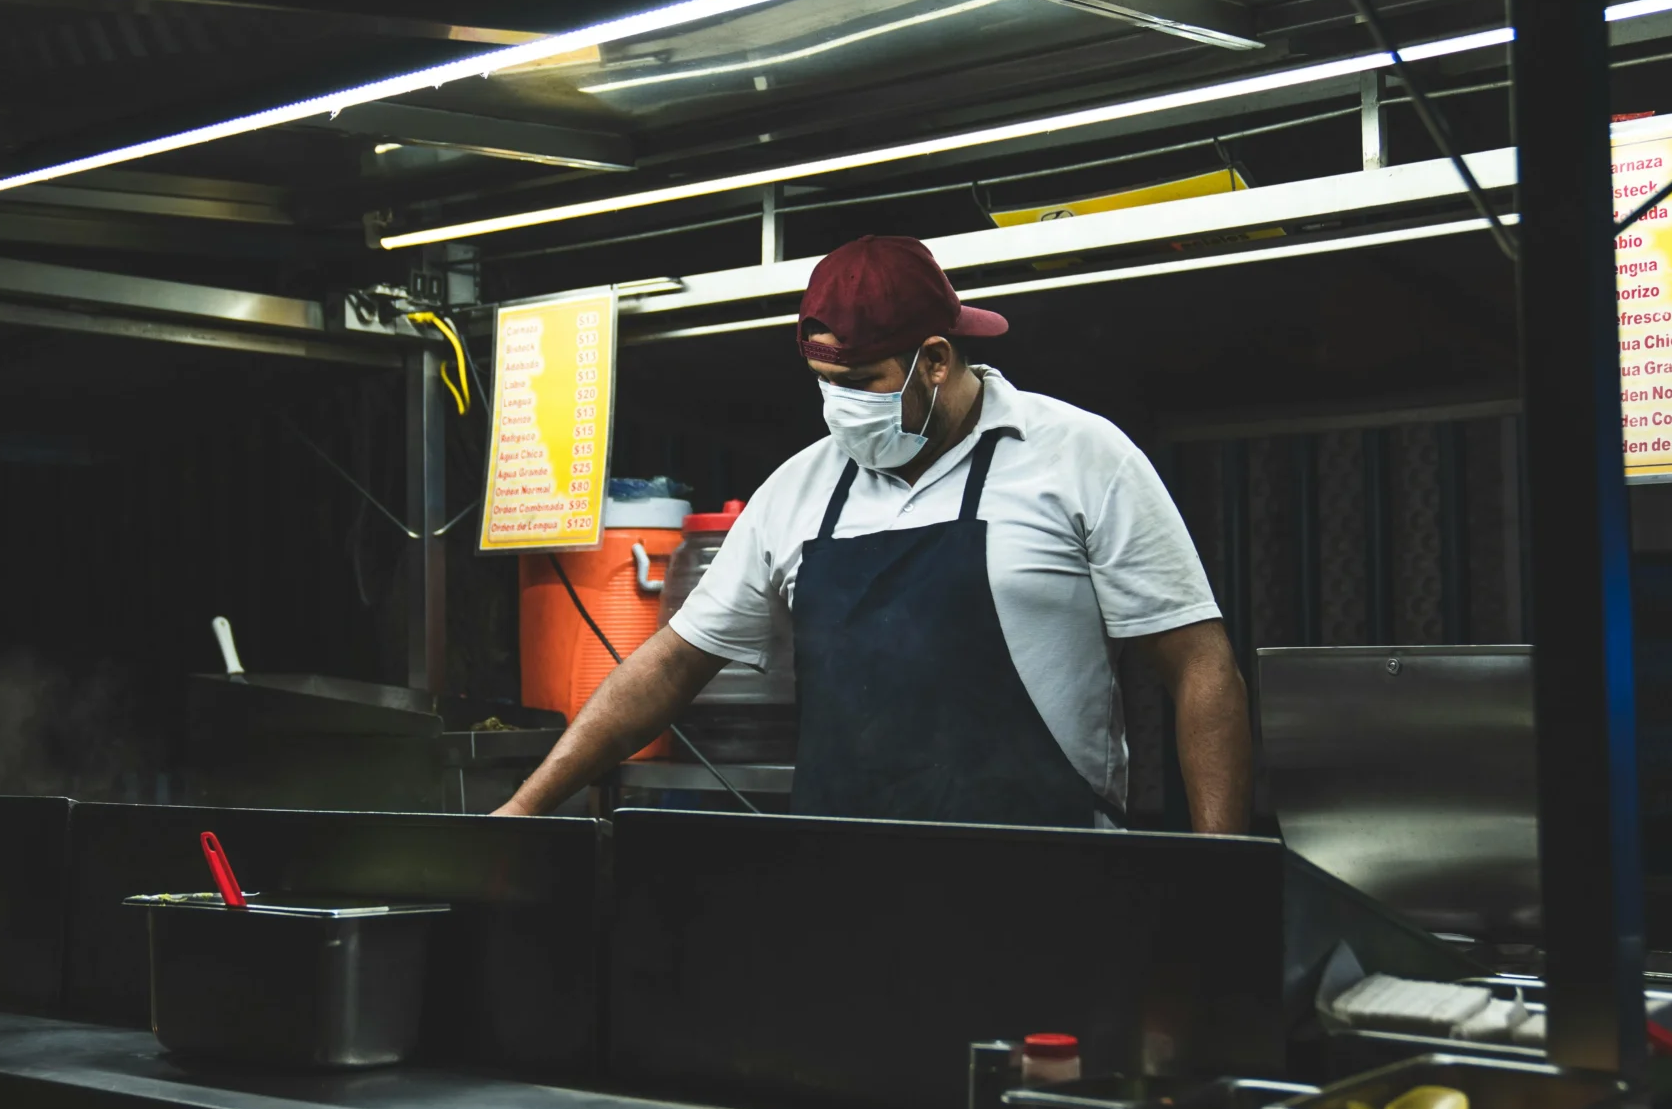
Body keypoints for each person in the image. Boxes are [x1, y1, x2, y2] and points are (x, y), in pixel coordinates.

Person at [497, 234, 1252, 830]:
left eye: (860, 384)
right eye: (825, 383)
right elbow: (666, 668)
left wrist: (1225, 871)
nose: (838, 406)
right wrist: (527, 808)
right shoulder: (798, 491)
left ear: (934, 360)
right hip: (849, 880)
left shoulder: (1079, 456)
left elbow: (1199, 666)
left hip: (1046, 871)